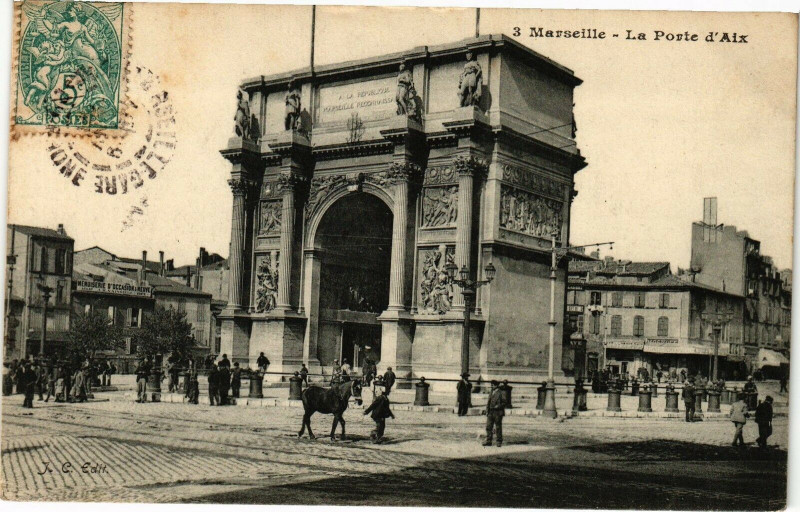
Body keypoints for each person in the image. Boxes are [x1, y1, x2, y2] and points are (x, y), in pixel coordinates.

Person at [483, 380, 507, 447]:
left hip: (498, 412)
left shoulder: (501, 393)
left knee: (498, 427)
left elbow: (505, 402)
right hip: (491, 411)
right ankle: (488, 441)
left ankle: (499, 441)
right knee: (488, 426)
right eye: (491, 385)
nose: (492, 386)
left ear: (497, 386)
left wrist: (498, 406)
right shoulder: (491, 392)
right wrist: (487, 410)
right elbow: (488, 402)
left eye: (493, 385)